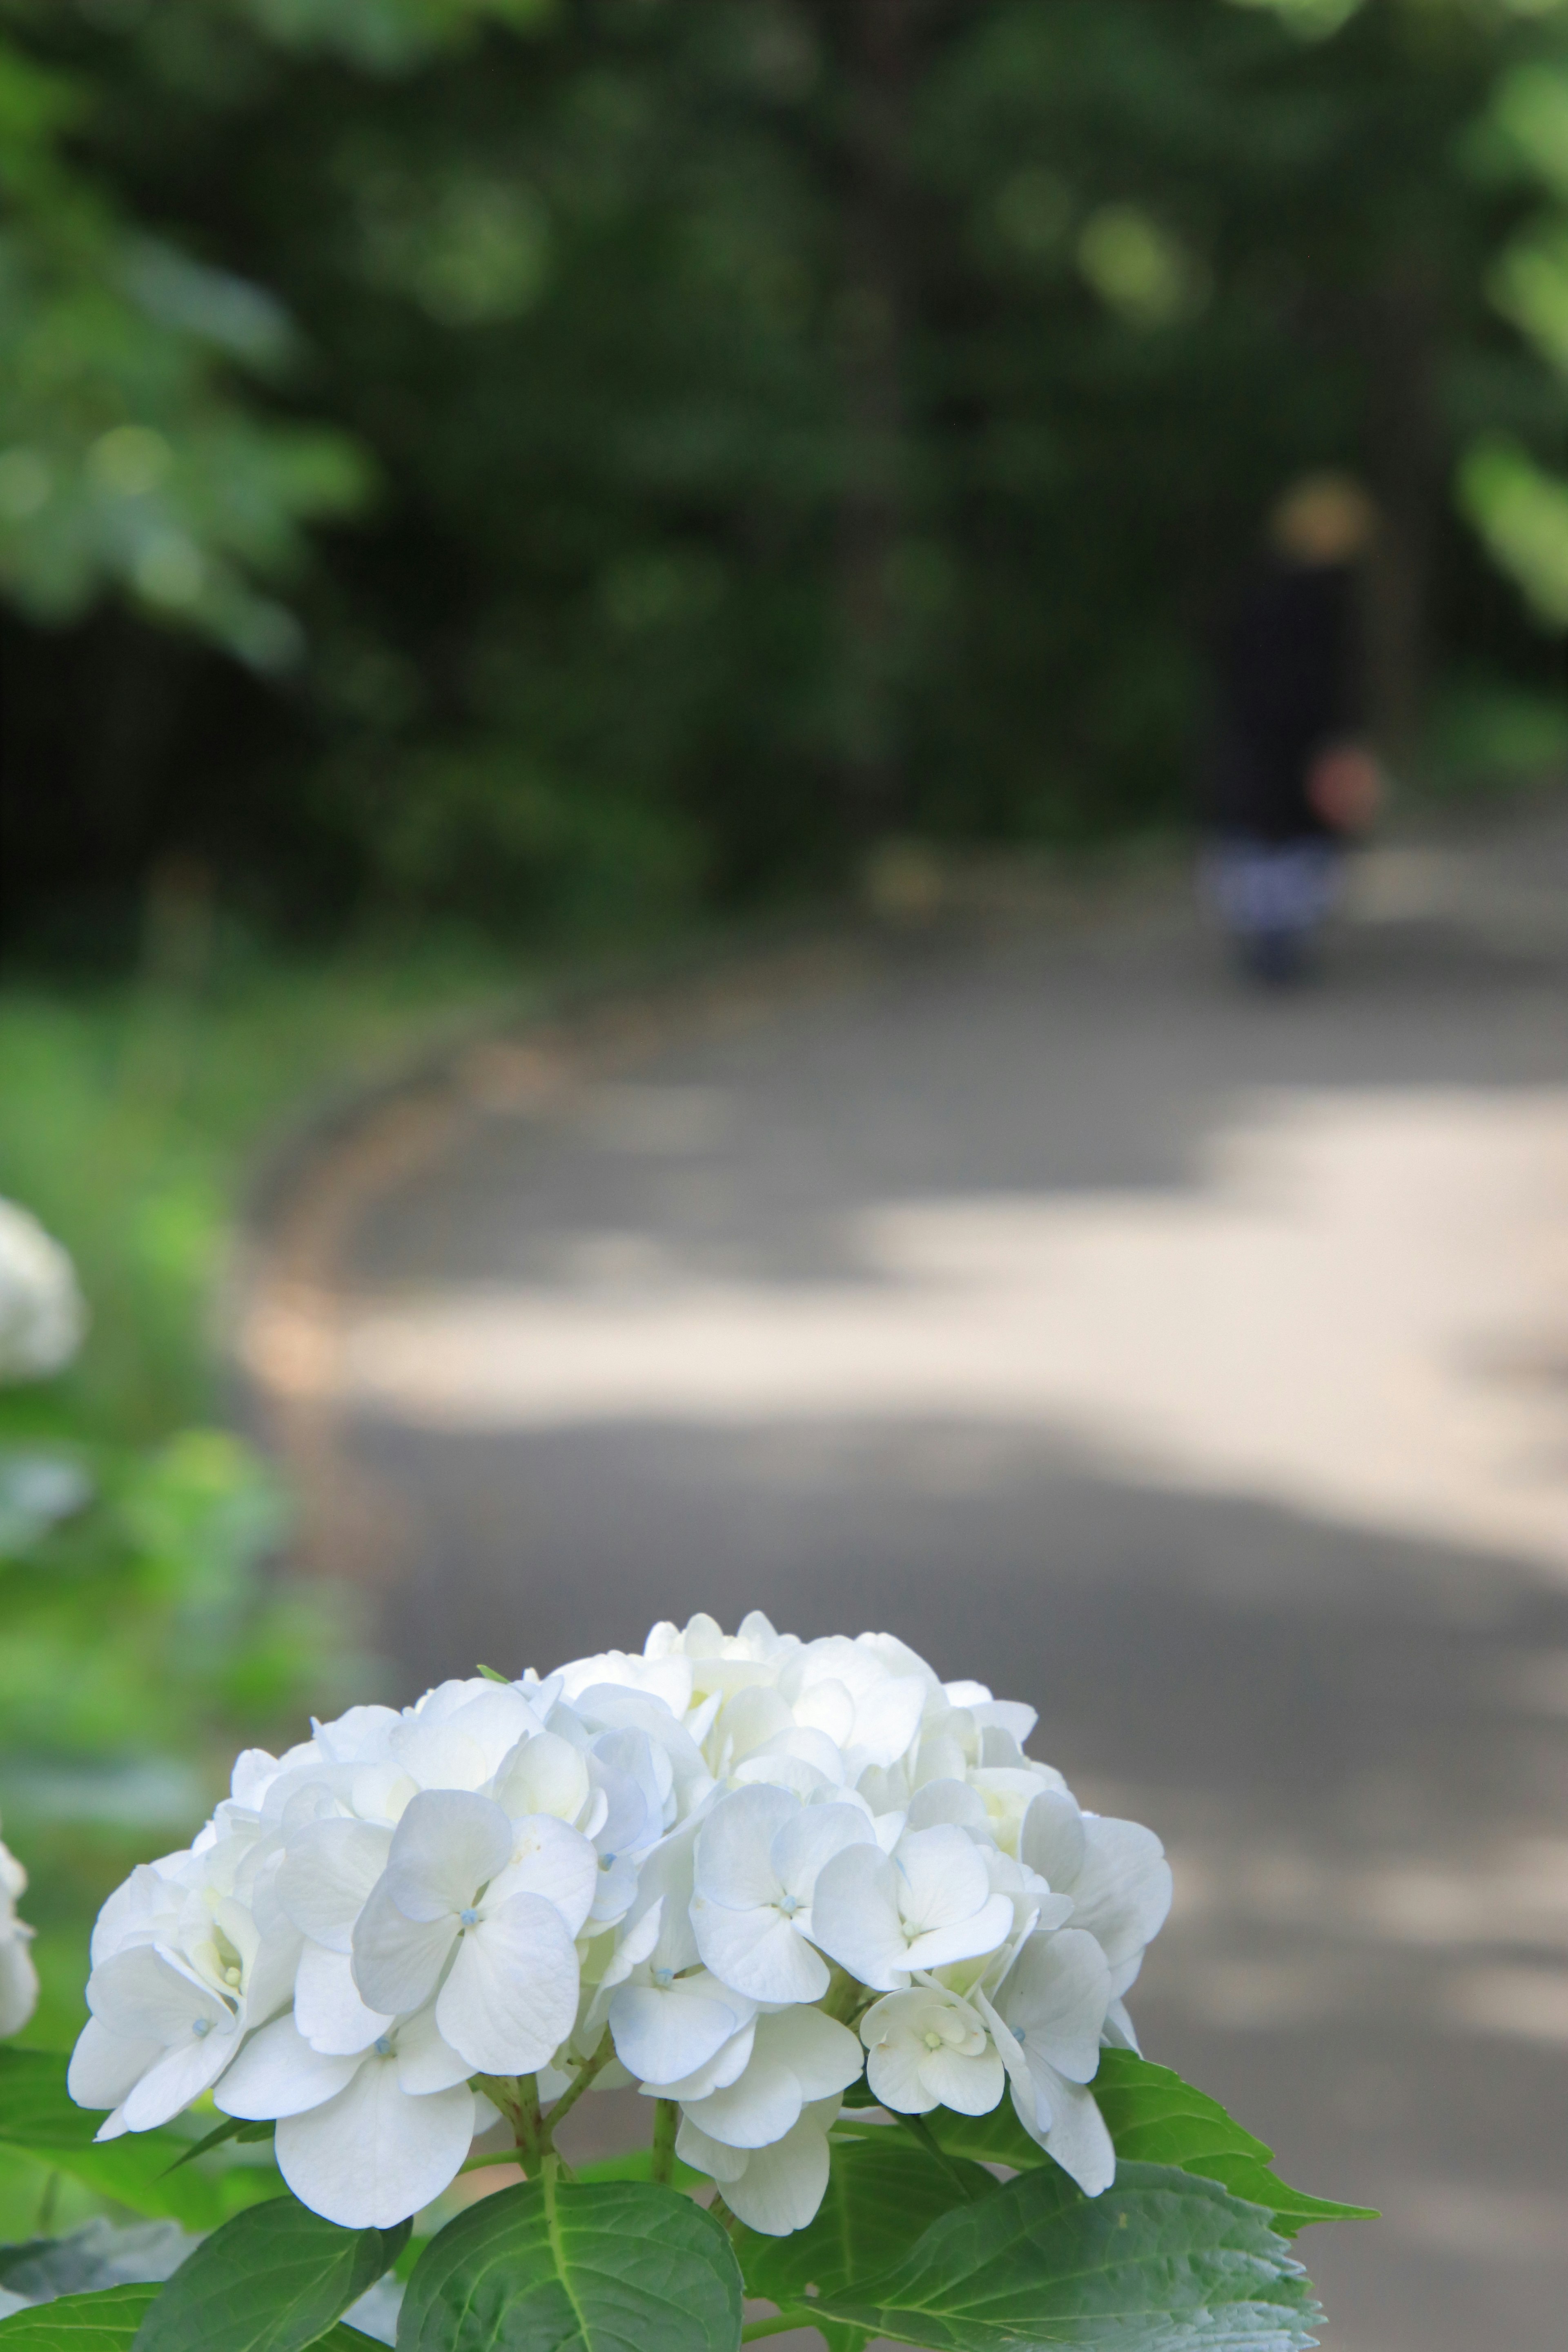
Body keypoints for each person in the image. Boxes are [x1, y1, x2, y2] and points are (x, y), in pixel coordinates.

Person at [1203, 472, 1383, 982]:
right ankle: (1276, 941)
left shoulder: (1261, 590)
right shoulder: (1320, 599)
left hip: (1265, 742)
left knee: (1270, 841)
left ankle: (1271, 940)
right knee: (1291, 844)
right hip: (1290, 741)